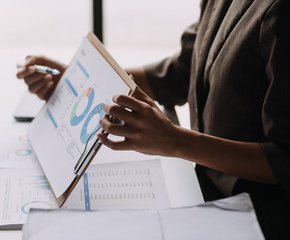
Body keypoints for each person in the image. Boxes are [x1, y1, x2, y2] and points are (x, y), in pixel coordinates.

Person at [17, 0, 290, 238]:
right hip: (203, 188)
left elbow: (284, 157)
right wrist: (81, 83)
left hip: (257, 218)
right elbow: (182, 71)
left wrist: (174, 141)